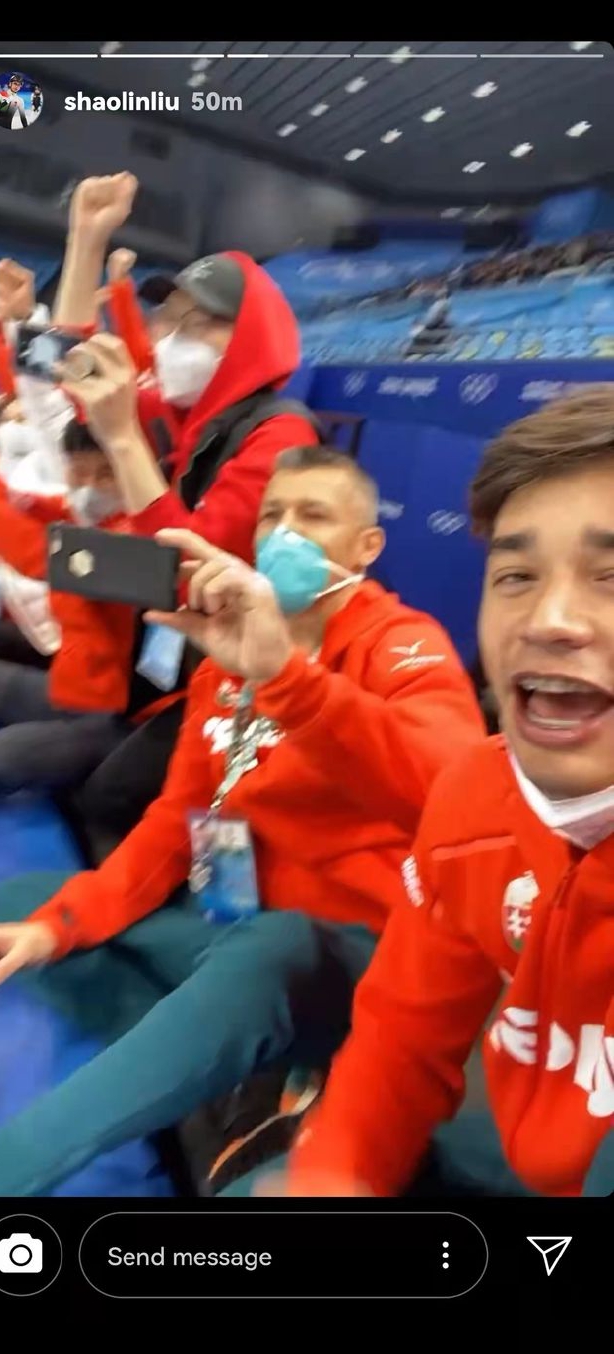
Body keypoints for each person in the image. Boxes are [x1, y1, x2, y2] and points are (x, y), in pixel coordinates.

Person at [0, 445, 485, 1197]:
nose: (285, 533)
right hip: (233, 926)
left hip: (350, 957)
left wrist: (290, 681)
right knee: (27, 912)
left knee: (272, 949)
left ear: (366, 546)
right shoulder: (227, 654)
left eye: (314, 516)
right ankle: (220, 1063)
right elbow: (177, 820)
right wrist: (58, 925)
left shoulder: (401, 643)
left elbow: (453, 789)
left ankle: (1, 1164)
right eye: (273, 515)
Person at [265, 386, 614, 1200]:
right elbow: (400, 1036)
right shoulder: (478, 796)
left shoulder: (398, 644)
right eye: (516, 575)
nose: (550, 618)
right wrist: (335, 1175)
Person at [54, 174, 320, 563]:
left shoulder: (282, 436)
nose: (174, 340)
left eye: (198, 323)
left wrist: (124, 440)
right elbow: (79, 377)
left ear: (251, 336)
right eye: (172, 320)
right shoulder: (180, 415)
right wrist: (86, 241)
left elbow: (193, 565)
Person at [0, 416, 160, 798]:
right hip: (77, 691)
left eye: (106, 474)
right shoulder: (102, 517)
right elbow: (43, 509)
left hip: (115, 723)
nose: (89, 486)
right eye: (78, 471)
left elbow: (36, 554)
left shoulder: (145, 545)